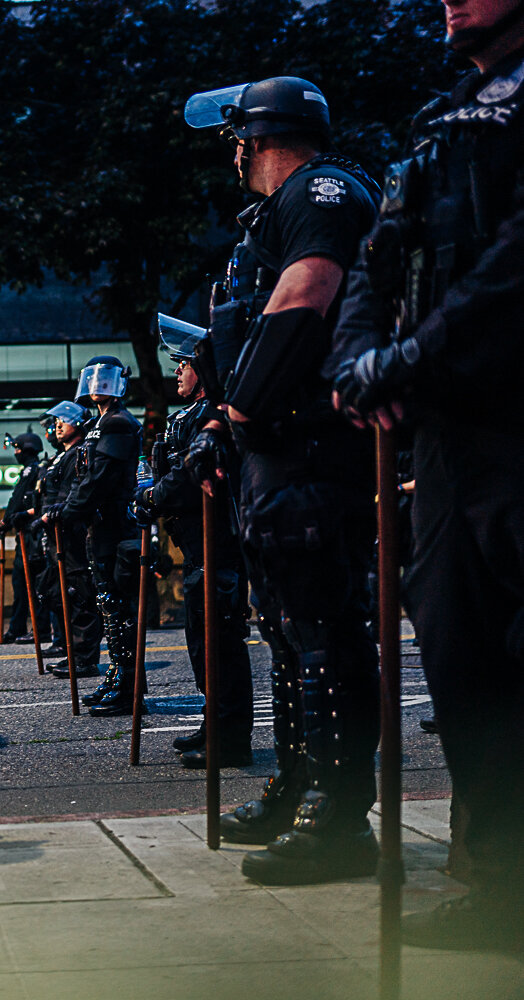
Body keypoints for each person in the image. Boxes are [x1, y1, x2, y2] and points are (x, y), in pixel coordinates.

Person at [327, 0, 524, 951]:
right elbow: (378, 257)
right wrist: (359, 363)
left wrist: (408, 365)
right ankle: (494, 884)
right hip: (449, 441)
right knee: (461, 661)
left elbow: (513, 271)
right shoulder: (449, 115)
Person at [184, 76, 381, 884]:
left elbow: (306, 300)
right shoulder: (269, 215)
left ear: (256, 136)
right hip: (273, 452)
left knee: (327, 636)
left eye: (236, 137)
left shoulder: (321, 191)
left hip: (312, 449)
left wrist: (236, 408)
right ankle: (300, 786)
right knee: (289, 632)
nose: (231, 151)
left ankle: (339, 816)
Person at [137, 324, 254, 768]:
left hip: (217, 543)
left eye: (184, 364)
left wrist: (151, 497)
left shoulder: (211, 415)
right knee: (202, 643)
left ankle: (231, 737)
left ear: (203, 369)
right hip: (196, 546)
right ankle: (214, 723)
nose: (178, 372)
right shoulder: (188, 415)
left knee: (220, 640)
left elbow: (187, 481)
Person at [42, 358, 143, 718]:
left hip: (115, 529)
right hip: (101, 529)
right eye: (93, 377)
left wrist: (69, 512)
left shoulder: (117, 423)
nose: (97, 384)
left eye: (106, 378)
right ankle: (119, 676)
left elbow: (98, 480)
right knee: (109, 609)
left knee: (120, 612)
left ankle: (129, 686)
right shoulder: (102, 423)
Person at [38, 401, 101, 679]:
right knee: (57, 593)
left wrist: (56, 514)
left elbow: (71, 495)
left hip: (71, 536)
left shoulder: (79, 454)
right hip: (55, 536)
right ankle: (73, 652)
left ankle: (84, 659)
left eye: (64, 419)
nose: (58, 425)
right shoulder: (60, 457)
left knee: (79, 597)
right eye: (56, 421)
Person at [0, 432, 51, 646]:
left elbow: (18, 499)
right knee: (21, 582)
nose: (16, 453)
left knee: (32, 582)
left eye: (18, 448)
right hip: (26, 533)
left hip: (31, 534)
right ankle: (18, 628)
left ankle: (39, 630)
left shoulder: (33, 470)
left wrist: (5, 521)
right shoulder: (31, 470)